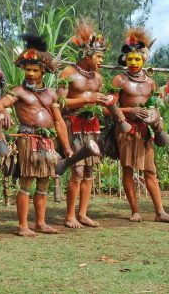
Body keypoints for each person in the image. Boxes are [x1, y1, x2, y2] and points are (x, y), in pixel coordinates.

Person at [0, 34, 73, 236]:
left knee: (44, 182)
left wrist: (67, 147)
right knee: (26, 182)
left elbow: (58, 121)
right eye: (27, 69)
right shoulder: (18, 91)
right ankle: (22, 226)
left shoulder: (52, 94)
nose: (30, 73)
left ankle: (40, 223)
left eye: (35, 70)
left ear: (43, 72)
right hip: (27, 140)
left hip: (47, 142)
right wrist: (3, 112)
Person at [112, 28, 169, 223]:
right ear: (125, 59)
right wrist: (129, 111)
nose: (133, 62)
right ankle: (135, 211)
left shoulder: (150, 82)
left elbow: (155, 106)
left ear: (144, 60)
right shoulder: (119, 80)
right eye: (130, 59)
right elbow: (109, 108)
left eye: (137, 59)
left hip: (145, 131)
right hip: (125, 130)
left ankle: (160, 212)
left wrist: (156, 117)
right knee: (128, 169)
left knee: (150, 170)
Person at [57, 18, 110, 228]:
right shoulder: (68, 74)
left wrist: (111, 106)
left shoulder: (98, 78)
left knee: (89, 171)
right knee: (77, 170)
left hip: (92, 127)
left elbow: (102, 102)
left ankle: (83, 213)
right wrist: (87, 100)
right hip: (73, 126)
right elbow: (60, 103)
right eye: (98, 56)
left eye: (102, 57)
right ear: (87, 54)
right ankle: (70, 215)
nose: (101, 60)